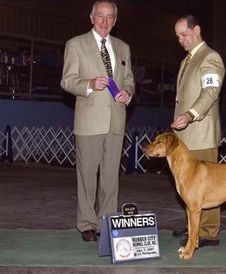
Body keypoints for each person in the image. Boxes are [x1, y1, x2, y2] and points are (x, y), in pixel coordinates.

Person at [61, 0, 135, 242]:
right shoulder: (76, 44)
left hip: (116, 120)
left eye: (110, 17)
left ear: (115, 21)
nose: (105, 21)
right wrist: (89, 85)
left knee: (111, 177)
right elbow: (67, 80)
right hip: (89, 121)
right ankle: (86, 224)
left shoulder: (123, 47)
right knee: (87, 176)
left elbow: (130, 80)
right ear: (91, 18)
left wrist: (128, 93)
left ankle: (107, 222)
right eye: (100, 16)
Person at [171, 14, 225, 247]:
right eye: (177, 36)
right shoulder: (187, 60)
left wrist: (191, 114)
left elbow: (210, 92)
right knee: (189, 187)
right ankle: (193, 228)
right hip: (185, 136)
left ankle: (208, 233)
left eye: (184, 34)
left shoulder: (210, 57)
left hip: (201, 134)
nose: (181, 40)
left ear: (197, 30)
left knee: (209, 187)